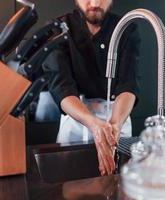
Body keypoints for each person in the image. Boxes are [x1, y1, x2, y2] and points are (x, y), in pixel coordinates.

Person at [45, 0, 141, 176]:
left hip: (117, 117)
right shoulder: (57, 29)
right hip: (75, 119)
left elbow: (129, 84)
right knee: (70, 183)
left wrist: (115, 125)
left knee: (118, 182)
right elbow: (62, 88)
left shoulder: (126, 28)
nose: (95, 2)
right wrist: (94, 125)